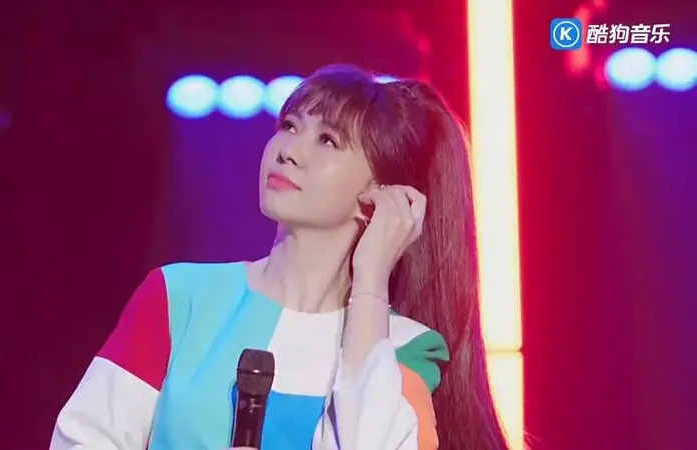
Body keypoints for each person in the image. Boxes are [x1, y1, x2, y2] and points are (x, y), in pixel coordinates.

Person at [51, 64, 510, 450]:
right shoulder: (178, 298)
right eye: (289, 126)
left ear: (379, 194)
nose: (289, 151)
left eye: (327, 140)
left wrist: (372, 277)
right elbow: (85, 439)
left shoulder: (402, 346)